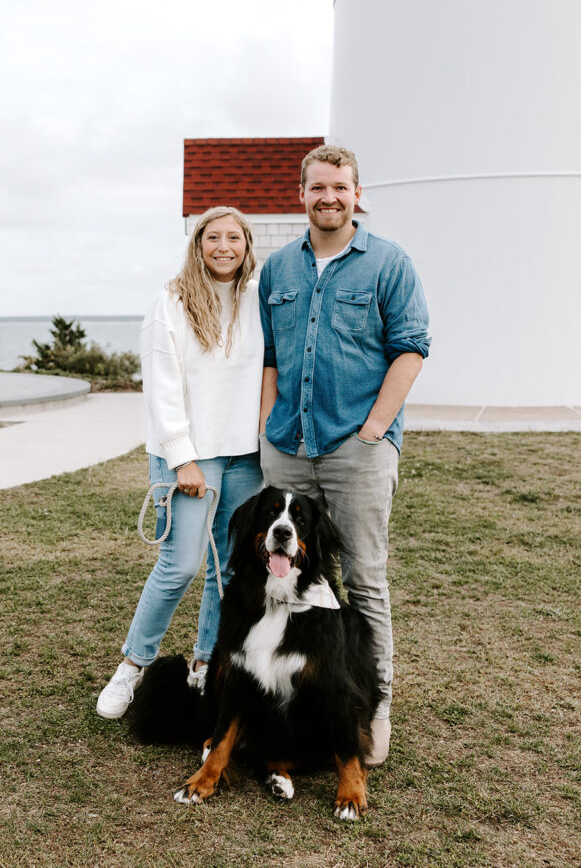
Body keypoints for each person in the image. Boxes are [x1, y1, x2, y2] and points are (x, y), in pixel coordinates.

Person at [257, 144, 430, 766]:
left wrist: (376, 428)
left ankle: (372, 706)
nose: (328, 197)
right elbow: (271, 357)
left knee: (362, 579)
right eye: (317, 187)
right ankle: (286, 689)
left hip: (358, 450)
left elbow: (411, 349)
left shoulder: (388, 263)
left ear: (357, 193)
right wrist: (265, 425)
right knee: (284, 581)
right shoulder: (277, 268)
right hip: (287, 451)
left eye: (340, 187)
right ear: (300, 194)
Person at [97, 207, 264, 719]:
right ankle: (132, 666)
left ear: (247, 245)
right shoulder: (169, 302)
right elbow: (162, 388)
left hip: (246, 456)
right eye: (212, 236)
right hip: (189, 456)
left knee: (228, 569)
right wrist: (182, 458)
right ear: (197, 244)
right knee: (180, 565)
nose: (223, 246)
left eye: (233, 237)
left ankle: (205, 664)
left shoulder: (258, 298)